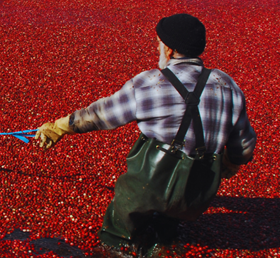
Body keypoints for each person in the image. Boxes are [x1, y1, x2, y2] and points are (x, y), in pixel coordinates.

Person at [34, 13, 257, 253]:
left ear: (169, 50)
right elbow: (243, 144)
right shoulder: (227, 85)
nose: (157, 47)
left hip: (150, 183)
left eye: (159, 42)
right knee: (169, 222)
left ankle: (118, 247)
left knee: (125, 218)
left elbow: (101, 115)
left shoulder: (152, 83)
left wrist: (59, 127)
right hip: (198, 191)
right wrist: (231, 163)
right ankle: (165, 241)